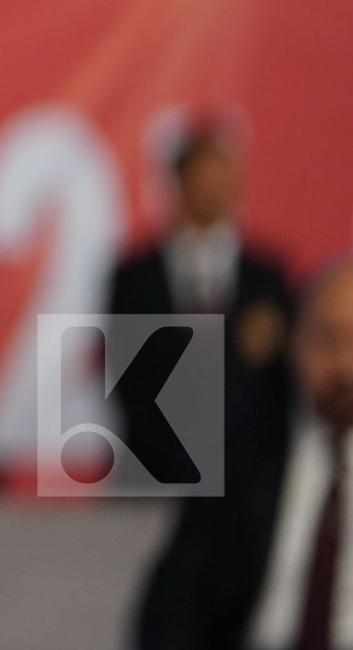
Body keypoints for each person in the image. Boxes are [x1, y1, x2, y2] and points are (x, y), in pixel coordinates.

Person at [132, 260, 353, 650]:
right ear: (294, 343)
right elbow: (175, 603)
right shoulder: (240, 448)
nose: (345, 366)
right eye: (327, 339)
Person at [107, 118, 294, 484]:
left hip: (248, 476)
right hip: (151, 472)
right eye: (201, 178)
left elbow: (281, 385)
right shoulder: (135, 275)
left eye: (220, 178)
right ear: (178, 183)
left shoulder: (267, 276)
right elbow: (124, 375)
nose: (211, 190)